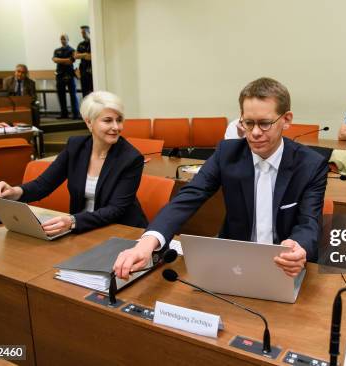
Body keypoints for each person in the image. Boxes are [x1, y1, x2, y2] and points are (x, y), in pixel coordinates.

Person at [113, 77, 328, 279]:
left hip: (286, 267)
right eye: (247, 123)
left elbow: (309, 221)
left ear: (287, 119)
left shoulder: (311, 165)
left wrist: (298, 246)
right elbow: (189, 196)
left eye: (264, 123)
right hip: (234, 263)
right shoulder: (227, 153)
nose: (254, 133)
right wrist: (149, 241)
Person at [0, 91, 147, 235]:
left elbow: (115, 210)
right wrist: (14, 191)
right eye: (108, 120)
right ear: (89, 122)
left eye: (119, 120)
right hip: (82, 230)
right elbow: (43, 185)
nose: (116, 127)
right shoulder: (75, 147)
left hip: (121, 231)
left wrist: (73, 221)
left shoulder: (131, 158)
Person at [52, 34, 79, 119]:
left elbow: (71, 61)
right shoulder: (57, 50)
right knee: (61, 95)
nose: (63, 40)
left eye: (64, 39)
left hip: (70, 74)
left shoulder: (72, 50)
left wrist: (60, 61)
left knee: (73, 95)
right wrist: (66, 60)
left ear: (68, 39)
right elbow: (54, 60)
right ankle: (64, 114)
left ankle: (75, 114)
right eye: (61, 39)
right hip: (60, 74)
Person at [74, 25, 93, 98]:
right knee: (85, 93)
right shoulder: (80, 44)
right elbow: (75, 56)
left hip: (91, 71)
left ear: (89, 32)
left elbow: (91, 57)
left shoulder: (93, 43)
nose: (82, 34)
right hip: (83, 71)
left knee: (92, 92)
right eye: (81, 33)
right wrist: (85, 54)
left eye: (84, 32)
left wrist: (82, 55)